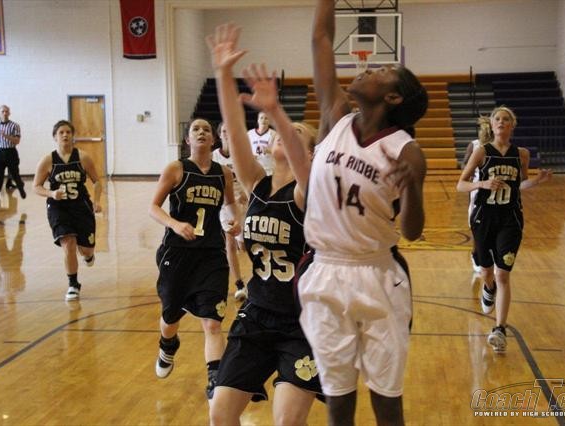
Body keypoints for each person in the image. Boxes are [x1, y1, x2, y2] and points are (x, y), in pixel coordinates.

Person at [293, 2, 429, 425]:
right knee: (337, 397)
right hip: (324, 271)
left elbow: (412, 231)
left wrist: (412, 189)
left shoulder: (406, 150)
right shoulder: (335, 116)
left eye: (382, 70)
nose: (368, 68)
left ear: (393, 97)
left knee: (387, 400)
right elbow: (320, 39)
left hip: (378, 275)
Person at [206, 23, 322, 425]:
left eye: (296, 135)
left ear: (309, 152)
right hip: (256, 314)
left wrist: (276, 111)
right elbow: (235, 130)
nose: (283, 137)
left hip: (302, 323)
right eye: (280, 133)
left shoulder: (306, 191)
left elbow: (302, 166)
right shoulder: (256, 183)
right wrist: (223, 74)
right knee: (220, 414)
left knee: (286, 421)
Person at [149, 118, 240, 400]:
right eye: (195, 130)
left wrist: (236, 221)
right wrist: (175, 224)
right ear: (188, 139)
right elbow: (153, 207)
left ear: (214, 140)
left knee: (213, 322)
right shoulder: (176, 169)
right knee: (170, 316)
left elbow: (230, 204)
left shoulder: (223, 173)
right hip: (177, 253)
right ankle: (168, 345)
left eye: (206, 130)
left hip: (211, 254)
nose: (201, 132)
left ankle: (215, 380)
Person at [457, 106, 552, 353]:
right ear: (491, 124)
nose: (501, 122)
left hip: (510, 220)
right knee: (486, 272)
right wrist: (482, 183)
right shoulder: (481, 152)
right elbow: (461, 184)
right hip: (483, 218)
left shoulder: (521, 154)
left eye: (506, 119)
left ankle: (499, 329)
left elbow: (521, 184)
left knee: (503, 275)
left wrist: (537, 181)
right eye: (497, 118)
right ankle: (488, 288)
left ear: (512, 125)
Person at [32, 120, 102, 301]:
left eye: (68, 132)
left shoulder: (83, 158)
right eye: (61, 132)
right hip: (58, 207)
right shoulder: (48, 160)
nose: (65, 135)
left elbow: (97, 181)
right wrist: (51, 193)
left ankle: (88, 255)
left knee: (86, 250)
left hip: (81, 206)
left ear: (73, 136)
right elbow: (36, 186)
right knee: (68, 243)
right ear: (55, 137)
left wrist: (96, 201)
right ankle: (73, 284)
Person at [212, 122, 248, 302]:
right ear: (219, 135)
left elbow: (252, 178)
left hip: (244, 203)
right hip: (226, 205)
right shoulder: (214, 157)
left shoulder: (242, 154)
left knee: (245, 245)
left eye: (230, 130)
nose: (227, 134)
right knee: (230, 243)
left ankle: (259, 277)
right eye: (224, 131)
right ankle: (239, 284)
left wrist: (247, 193)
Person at [462, 117, 493, 274]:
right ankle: (476, 255)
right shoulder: (474, 145)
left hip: (496, 190)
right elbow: (465, 165)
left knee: (493, 226)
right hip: (478, 189)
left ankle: (490, 256)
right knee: (477, 226)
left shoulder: (501, 147)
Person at [0, 105, 26, 208]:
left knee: (15, 175)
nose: (5, 113)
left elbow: (17, 141)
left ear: (9, 113)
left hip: (11, 152)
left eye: (6, 111)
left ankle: (20, 187)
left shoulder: (15, 125)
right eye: (3, 111)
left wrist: (6, 136)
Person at [247, 111, 276, 176]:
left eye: (266, 118)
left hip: (269, 170)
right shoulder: (249, 134)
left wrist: (268, 150)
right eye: (261, 118)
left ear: (269, 121)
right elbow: (244, 151)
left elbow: (279, 152)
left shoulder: (274, 134)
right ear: (258, 120)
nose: (263, 120)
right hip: (254, 169)